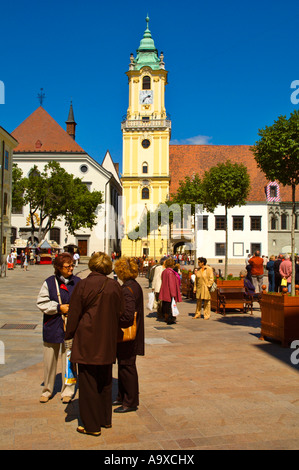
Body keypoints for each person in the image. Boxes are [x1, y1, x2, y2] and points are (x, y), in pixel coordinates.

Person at [65, 252, 124, 436]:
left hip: (87, 340)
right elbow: (121, 313)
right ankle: (105, 419)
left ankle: (91, 426)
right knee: (105, 381)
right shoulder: (114, 286)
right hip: (107, 340)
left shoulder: (82, 285)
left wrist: (69, 335)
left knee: (88, 382)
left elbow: (74, 314)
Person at [36, 252, 80, 404]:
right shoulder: (49, 282)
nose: (71, 268)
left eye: (72, 265)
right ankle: (47, 390)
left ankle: (68, 389)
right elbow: (41, 302)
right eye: (68, 266)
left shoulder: (78, 282)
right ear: (58, 267)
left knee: (69, 360)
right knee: (49, 360)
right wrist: (58, 308)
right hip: (53, 325)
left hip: (70, 327)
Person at [113, 257, 145, 414]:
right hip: (134, 333)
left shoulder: (127, 289)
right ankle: (122, 396)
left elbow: (127, 315)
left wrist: (115, 319)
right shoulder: (135, 285)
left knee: (127, 367)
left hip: (128, 336)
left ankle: (130, 401)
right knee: (125, 365)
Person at [159, 257, 182, 325]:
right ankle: (170, 319)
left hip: (164, 291)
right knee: (170, 306)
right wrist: (173, 294)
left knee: (165, 305)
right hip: (169, 292)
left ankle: (166, 317)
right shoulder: (170, 272)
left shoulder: (164, 271)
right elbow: (171, 284)